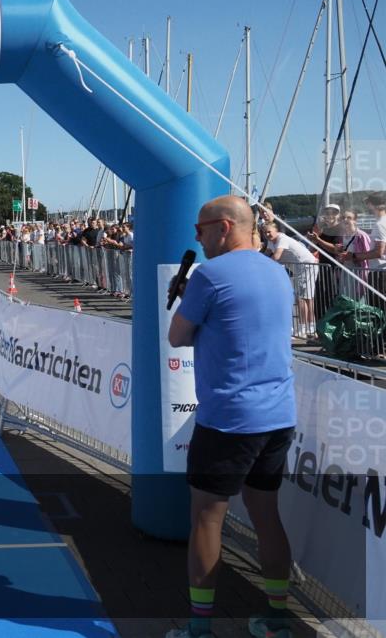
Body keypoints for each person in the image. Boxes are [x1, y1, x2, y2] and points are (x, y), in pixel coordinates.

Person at [167, 196, 296, 638]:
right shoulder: (278, 271)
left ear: (224, 227)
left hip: (228, 419)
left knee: (206, 519)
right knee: (267, 517)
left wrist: (192, 304)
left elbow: (177, 335)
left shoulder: (210, 275)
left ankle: (200, 628)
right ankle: (277, 616)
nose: (196, 238)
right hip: (278, 416)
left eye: (200, 229)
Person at [263, 222, 318, 340]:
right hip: (302, 267)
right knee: (306, 298)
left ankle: (305, 329)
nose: (267, 234)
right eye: (265, 232)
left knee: (303, 298)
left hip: (306, 266)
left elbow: (276, 256)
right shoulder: (271, 242)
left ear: (276, 231)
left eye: (269, 232)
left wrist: (261, 266)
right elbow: (266, 254)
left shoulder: (281, 239)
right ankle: (310, 328)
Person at [336, 210, 372, 301]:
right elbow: (340, 256)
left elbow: (369, 256)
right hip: (345, 272)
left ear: (355, 220)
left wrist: (353, 257)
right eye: (343, 218)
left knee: (358, 302)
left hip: (358, 274)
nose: (345, 220)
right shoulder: (342, 236)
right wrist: (338, 253)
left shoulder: (361, 236)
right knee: (346, 300)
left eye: (349, 218)